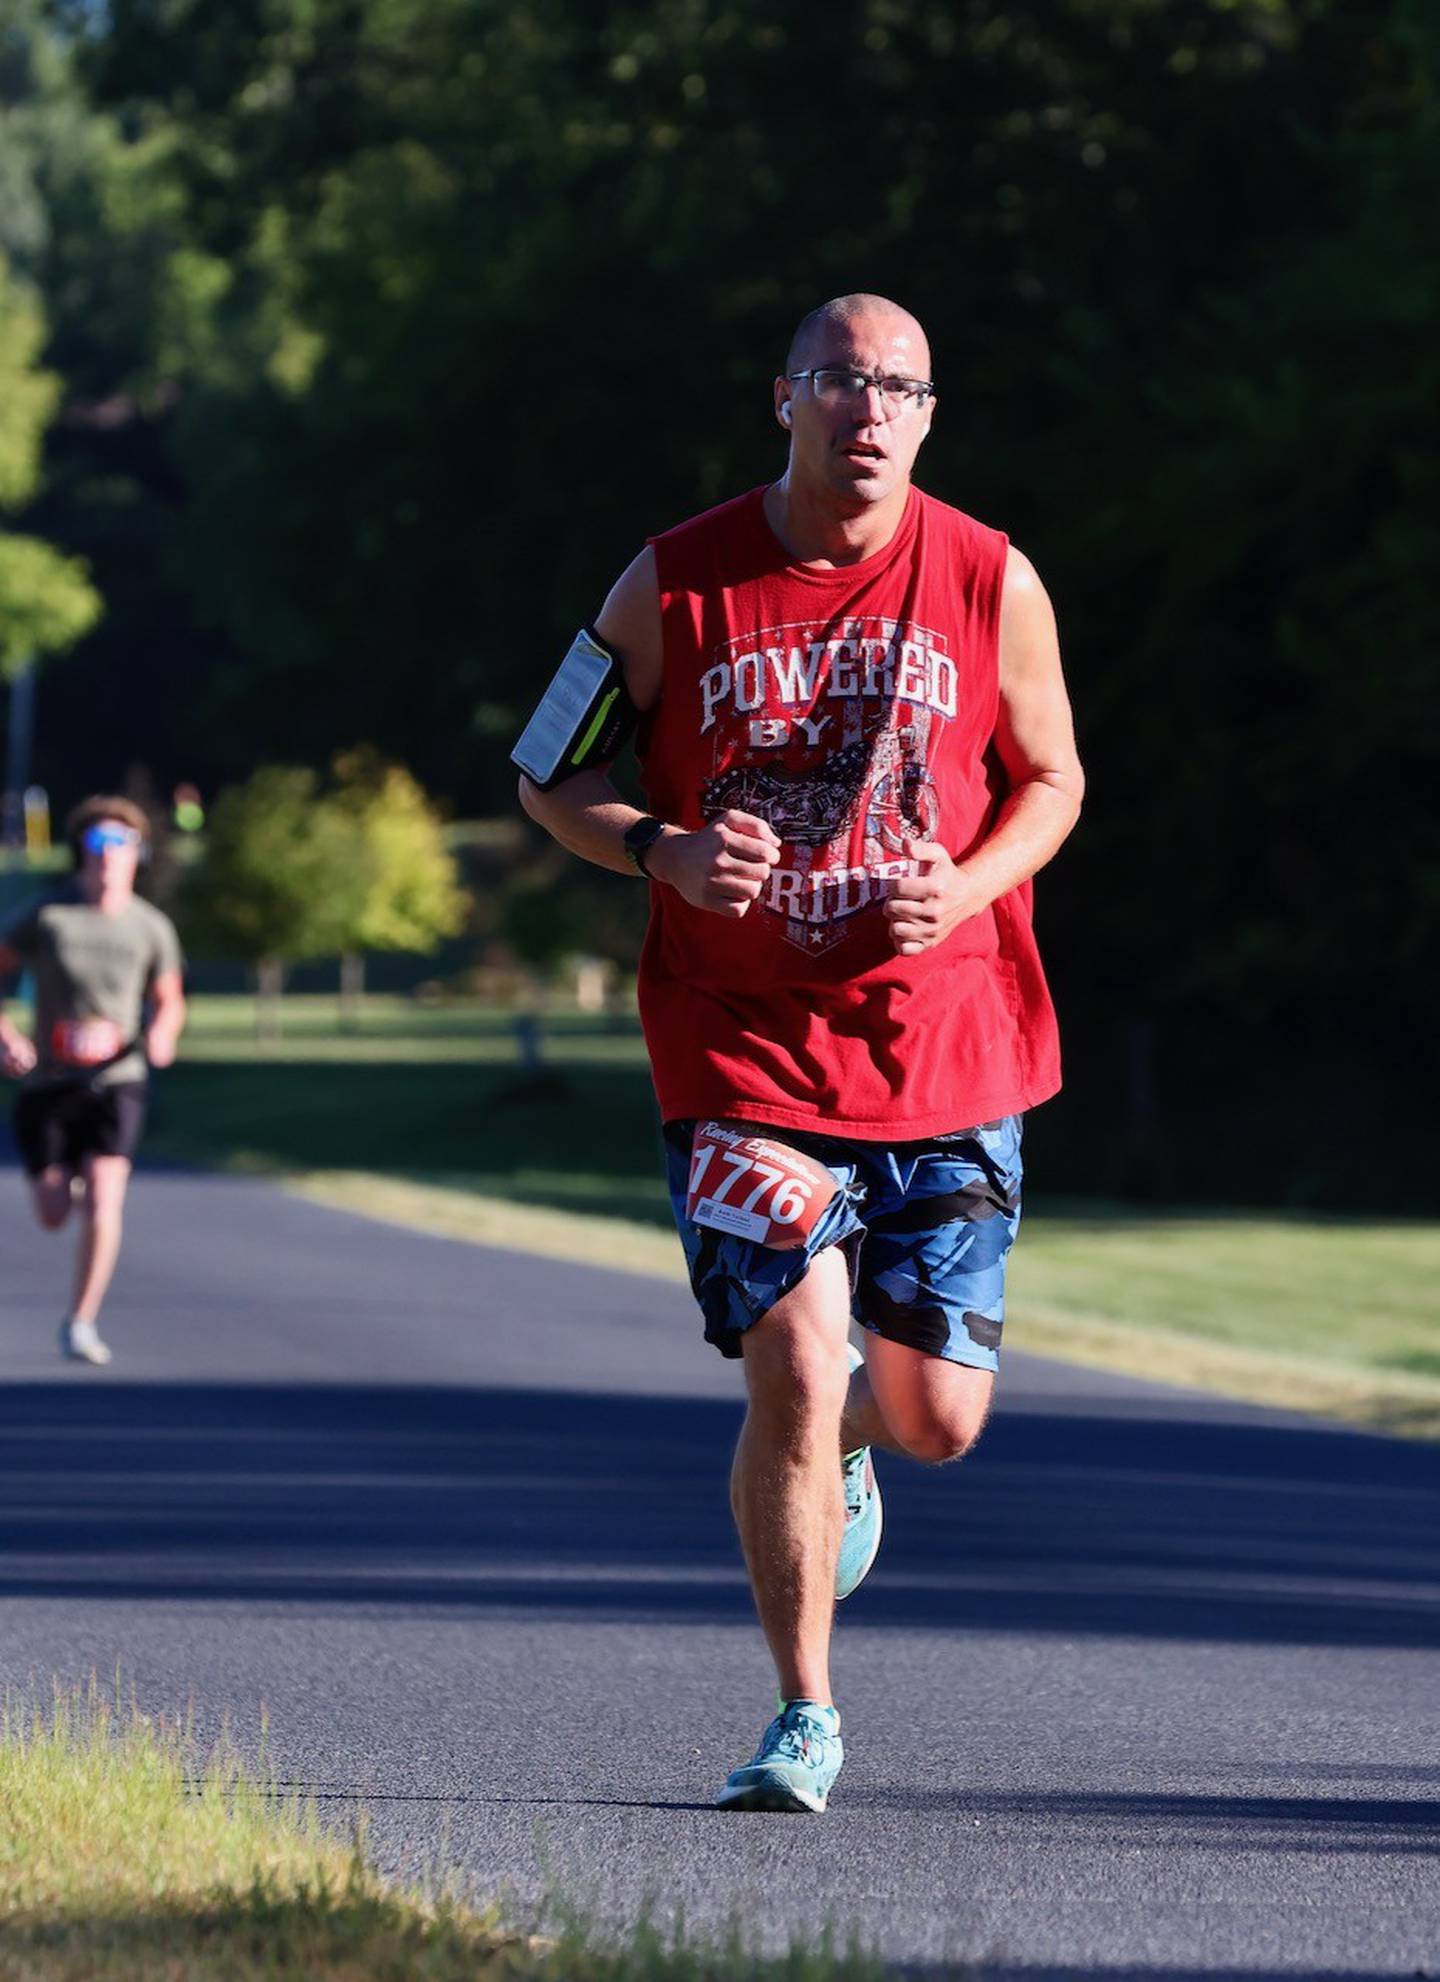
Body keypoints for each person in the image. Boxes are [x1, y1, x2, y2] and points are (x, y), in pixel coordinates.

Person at [516, 294, 1083, 1812]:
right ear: (785, 399)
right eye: (841, 380)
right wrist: (665, 850)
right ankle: (803, 1711)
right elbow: (545, 772)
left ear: (927, 414)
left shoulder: (987, 575)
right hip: (742, 1045)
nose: (870, 409)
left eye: (900, 385)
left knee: (935, 1418)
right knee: (791, 1353)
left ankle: (852, 1446)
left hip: (945, 1042)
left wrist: (961, 884)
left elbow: (1055, 780)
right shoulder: (674, 578)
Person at [0, 794, 186, 1364]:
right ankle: (72, 1182)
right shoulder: (48, 915)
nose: (110, 856)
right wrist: (6, 1035)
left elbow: (169, 998)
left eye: (122, 844)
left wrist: (162, 1035)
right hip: (50, 1083)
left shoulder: (151, 927)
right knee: (55, 1213)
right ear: (82, 851)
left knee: (108, 1200)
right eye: (99, 843)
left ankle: (81, 1320)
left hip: (118, 1079)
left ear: (139, 854)